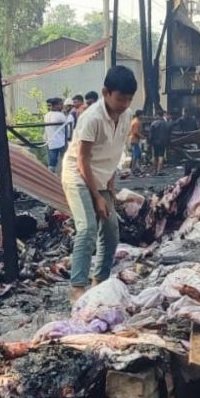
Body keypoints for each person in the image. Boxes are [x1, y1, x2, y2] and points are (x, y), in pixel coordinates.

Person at [62, 66, 137, 303]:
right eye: (120, 98)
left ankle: (100, 281)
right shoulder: (91, 118)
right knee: (87, 229)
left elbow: (114, 153)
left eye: (128, 99)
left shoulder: (126, 116)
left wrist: (110, 189)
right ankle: (77, 287)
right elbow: (83, 159)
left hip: (102, 178)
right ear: (105, 92)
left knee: (112, 230)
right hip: (78, 175)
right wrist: (97, 197)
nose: (124, 103)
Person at [43, 97, 68, 172]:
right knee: (65, 159)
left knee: (52, 161)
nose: (62, 106)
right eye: (61, 104)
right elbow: (66, 129)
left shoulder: (47, 115)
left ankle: (50, 177)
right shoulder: (60, 115)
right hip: (61, 141)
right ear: (56, 105)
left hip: (51, 141)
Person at [148, 110, 173, 175]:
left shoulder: (153, 123)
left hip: (155, 142)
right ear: (163, 115)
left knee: (155, 156)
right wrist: (168, 143)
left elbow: (151, 134)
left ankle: (154, 170)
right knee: (161, 156)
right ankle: (159, 170)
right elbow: (169, 134)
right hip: (163, 142)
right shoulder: (166, 124)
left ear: (157, 115)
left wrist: (149, 142)